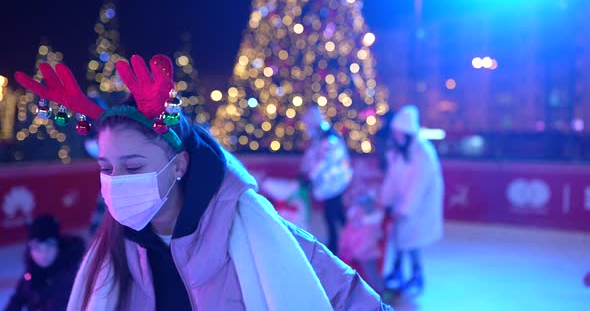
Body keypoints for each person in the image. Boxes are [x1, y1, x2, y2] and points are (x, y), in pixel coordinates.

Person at [15, 54, 392, 310]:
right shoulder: (111, 251)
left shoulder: (259, 232)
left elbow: (349, 297)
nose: (116, 182)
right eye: (106, 168)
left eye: (132, 167)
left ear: (178, 165)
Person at [378, 105, 444, 297]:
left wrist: (405, 209)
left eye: (399, 133)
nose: (396, 137)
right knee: (400, 238)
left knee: (411, 239)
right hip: (403, 202)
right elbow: (392, 178)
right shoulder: (398, 152)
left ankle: (416, 274)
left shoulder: (422, 152)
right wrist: (384, 200)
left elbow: (419, 184)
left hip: (419, 206)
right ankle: (398, 271)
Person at [300, 105, 353, 255]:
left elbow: (321, 161)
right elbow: (312, 157)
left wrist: (310, 176)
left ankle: (340, 244)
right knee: (334, 213)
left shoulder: (328, 138)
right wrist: (305, 171)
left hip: (334, 183)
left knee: (333, 214)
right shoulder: (321, 137)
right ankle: (341, 242)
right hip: (331, 183)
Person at [4, 215, 85, 311]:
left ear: (58, 246)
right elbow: (17, 300)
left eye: (49, 246)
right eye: (36, 247)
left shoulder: (72, 275)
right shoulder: (32, 272)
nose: (43, 254)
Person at [339, 193, 385, 294]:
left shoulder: (368, 226)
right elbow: (345, 238)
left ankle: (379, 294)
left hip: (367, 256)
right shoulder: (352, 225)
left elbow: (368, 243)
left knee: (372, 275)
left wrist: (356, 253)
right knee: (363, 276)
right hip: (354, 255)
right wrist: (344, 249)